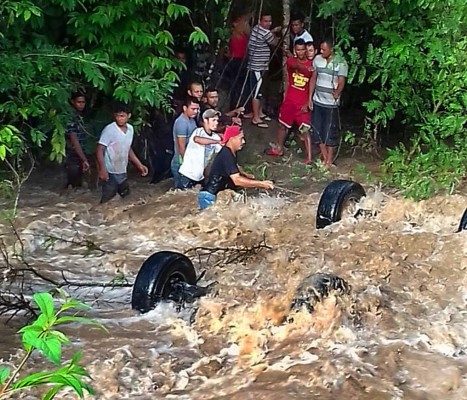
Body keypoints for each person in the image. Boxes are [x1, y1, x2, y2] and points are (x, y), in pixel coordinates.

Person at [198, 125, 275, 210]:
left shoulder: (229, 152)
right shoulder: (226, 155)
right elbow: (237, 180)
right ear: (231, 139)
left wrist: (245, 174)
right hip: (209, 197)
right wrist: (261, 184)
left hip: (212, 195)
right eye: (241, 138)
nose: (244, 141)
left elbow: (234, 167)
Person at [265, 39, 314, 162]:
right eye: (298, 49)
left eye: (303, 49)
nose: (301, 52)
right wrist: (308, 69)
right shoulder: (292, 62)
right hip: (290, 101)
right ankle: (279, 149)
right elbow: (295, 65)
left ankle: (309, 158)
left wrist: (308, 101)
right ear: (295, 50)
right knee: (282, 125)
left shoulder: (312, 66)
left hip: (302, 103)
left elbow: (312, 83)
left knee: (304, 129)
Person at [96, 102, 148, 203]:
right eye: (117, 116)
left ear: (128, 116)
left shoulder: (130, 129)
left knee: (126, 200)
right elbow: (99, 149)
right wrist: (102, 169)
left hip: (122, 171)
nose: (119, 119)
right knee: (106, 201)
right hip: (110, 172)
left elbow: (128, 149)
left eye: (122, 116)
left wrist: (139, 165)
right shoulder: (109, 130)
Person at [309, 39, 348, 167]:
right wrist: (310, 97)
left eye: (324, 49)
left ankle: (329, 159)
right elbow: (313, 78)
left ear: (331, 49)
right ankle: (325, 158)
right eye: (320, 49)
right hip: (318, 100)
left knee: (330, 131)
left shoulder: (340, 62)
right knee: (318, 130)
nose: (321, 51)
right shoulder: (317, 60)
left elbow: (341, 80)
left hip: (331, 104)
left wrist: (337, 92)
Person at [244, 12, 281, 128]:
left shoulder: (256, 29)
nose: (268, 23)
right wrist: (276, 33)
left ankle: (258, 112)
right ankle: (256, 117)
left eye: (270, 21)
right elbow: (275, 42)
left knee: (259, 91)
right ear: (260, 21)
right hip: (257, 67)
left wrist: (273, 31)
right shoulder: (266, 33)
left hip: (259, 66)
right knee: (257, 92)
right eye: (265, 21)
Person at [179, 109, 222, 188]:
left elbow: (221, 153)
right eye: (213, 120)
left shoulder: (216, 137)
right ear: (205, 120)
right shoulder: (198, 131)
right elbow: (198, 139)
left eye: (217, 120)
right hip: (187, 174)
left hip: (200, 176)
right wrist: (216, 142)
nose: (216, 123)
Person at [171, 96, 199, 189]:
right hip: (181, 162)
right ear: (185, 108)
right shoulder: (181, 123)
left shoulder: (191, 120)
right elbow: (181, 146)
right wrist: (186, 164)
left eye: (197, 109)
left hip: (188, 161)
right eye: (193, 109)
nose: (195, 111)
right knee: (181, 191)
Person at [64, 91, 91, 188]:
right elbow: (74, 140)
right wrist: (84, 159)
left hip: (79, 155)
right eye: (79, 102)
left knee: (77, 186)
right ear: (72, 102)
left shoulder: (79, 117)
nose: (81, 105)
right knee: (73, 184)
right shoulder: (70, 118)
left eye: (83, 102)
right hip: (72, 156)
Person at [227, 13, 250, 110]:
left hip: (240, 59)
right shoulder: (236, 30)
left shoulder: (240, 31)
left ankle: (238, 107)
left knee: (239, 85)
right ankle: (235, 107)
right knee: (237, 85)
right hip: (237, 60)